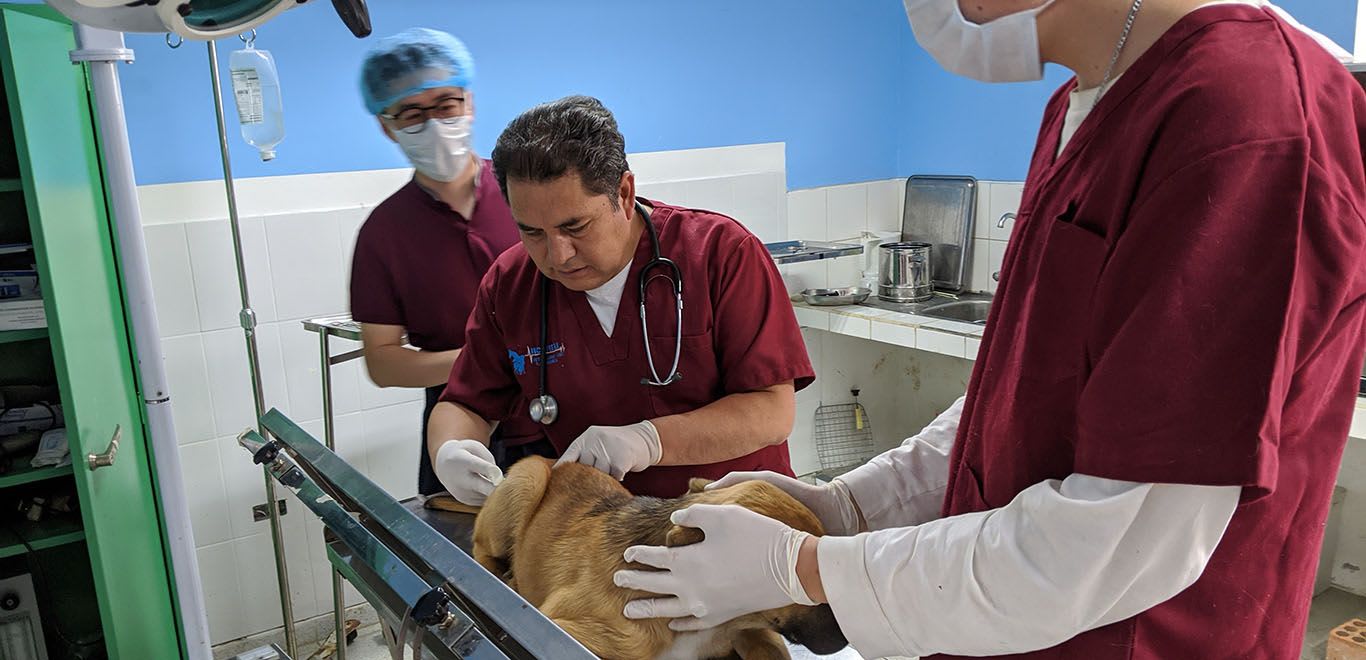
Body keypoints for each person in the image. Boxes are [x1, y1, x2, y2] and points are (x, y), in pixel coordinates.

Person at [613, 2, 1366, 659]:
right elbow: (1019, 398)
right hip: (1003, 628)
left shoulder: (1250, 123)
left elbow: (1112, 545)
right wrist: (849, 507)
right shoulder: (1086, 101)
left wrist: (808, 569)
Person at [425, 95, 814, 506]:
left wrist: (649, 441)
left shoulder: (720, 254)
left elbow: (772, 410)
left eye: (575, 226)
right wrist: (451, 450)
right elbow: (464, 404)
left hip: (738, 517)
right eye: (532, 232)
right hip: (600, 536)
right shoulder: (511, 285)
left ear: (624, 194)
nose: (558, 255)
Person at [350, 28, 552, 497]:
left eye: (446, 105)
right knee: (463, 558)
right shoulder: (384, 234)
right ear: (387, 125)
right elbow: (383, 362)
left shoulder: (524, 192)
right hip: (458, 426)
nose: (435, 123)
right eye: (413, 113)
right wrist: (481, 361)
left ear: (470, 103)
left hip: (561, 414)